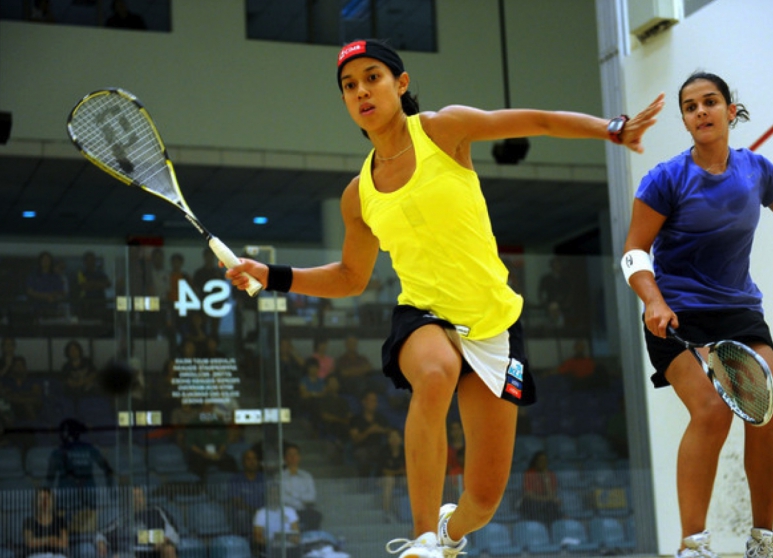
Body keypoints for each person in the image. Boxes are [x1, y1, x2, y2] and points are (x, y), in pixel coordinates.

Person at [225, 38, 664, 557]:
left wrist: (610, 127)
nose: (362, 90)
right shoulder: (357, 195)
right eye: (349, 85)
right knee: (433, 374)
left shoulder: (443, 130)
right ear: (344, 101)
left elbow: (537, 121)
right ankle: (423, 539)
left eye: (373, 77)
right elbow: (349, 276)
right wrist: (272, 276)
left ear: (401, 83)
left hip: (495, 325)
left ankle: (451, 532)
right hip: (424, 315)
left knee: (483, 500)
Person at [621, 72, 773, 558]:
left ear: (731, 111)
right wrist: (652, 299)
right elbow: (633, 253)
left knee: (768, 408)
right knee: (711, 412)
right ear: (687, 120)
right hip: (676, 313)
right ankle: (693, 545)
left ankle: (762, 541)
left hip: (739, 311)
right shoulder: (666, 178)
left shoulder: (758, 172)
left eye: (710, 102)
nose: (701, 112)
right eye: (690, 107)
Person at [46, 419, 114, 534]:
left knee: (70, 525)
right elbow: (107, 470)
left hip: (71, 491)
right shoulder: (90, 449)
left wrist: (111, 491)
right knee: (80, 524)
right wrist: (111, 490)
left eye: (63, 432)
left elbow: (50, 478)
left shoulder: (58, 452)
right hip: (79, 491)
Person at [96, 486, 179, 558]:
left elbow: (173, 530)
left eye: (139, 496)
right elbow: (102, 534)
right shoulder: (123, 518)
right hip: (135, 553)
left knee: (169, 549)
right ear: (129, 501)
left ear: (144, 498)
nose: (137, 500)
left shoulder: (157, 511)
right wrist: (101, 542)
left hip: (157, 550)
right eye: (134, 497)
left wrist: (164, 539)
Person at [348, 390, 391, 479]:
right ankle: (364, 483)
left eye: (375, 401)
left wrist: (381, 430)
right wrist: (368, 431)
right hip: (362, 448)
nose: (374, 403)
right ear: (364, 402)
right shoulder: (356, 419)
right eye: (371, 400)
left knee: (388, 454)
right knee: (362, 455)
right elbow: (355, 440)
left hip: (378, 447)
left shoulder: (380, 418)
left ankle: (382, 481)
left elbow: (390, 432)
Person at [280, 443, 323, 531]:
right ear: (284, 458)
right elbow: (282, 498)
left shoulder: (307, 476)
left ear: (299, 457)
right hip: (286, 512)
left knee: (316, 516)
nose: (292, 457)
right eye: (289, 455)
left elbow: (312, 497)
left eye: (295, 454)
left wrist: (293, 494)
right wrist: (301, 500)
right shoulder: (279, 477)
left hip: (304, 511)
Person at [253, 481, 301, 558]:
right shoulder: (261, 513)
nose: (274, 497)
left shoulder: (290, 511)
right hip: (270, 548)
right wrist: (272, 542)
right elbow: (257, 538)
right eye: (271, 494)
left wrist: (293, 539)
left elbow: (296, 534)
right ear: (267, 496)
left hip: (289, 548)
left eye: (276, 494)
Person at [228, 448, 266, 537]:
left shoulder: (264, 478)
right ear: (243, 462)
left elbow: (271, 498)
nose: (252, 462)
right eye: (248, 459)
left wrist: (262, 512)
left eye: (254, 459)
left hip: (263, 512)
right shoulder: (236, 479)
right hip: (246, 512)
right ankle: (246, 539)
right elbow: (237, 501)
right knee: (242, 514)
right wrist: (254, 511)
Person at [23, 487, 69, 558]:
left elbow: (65, 543)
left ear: (52, 501)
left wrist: (38, 541)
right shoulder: (29, 521)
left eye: (47, 498)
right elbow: (29, 542)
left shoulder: (60, 521)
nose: (44, 502)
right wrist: (49, 539)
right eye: (41, 498)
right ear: (36, 502)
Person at [516, 451, 560, 523]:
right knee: (534, 508)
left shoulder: (550, 474)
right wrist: (547, 499)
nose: (543, 463)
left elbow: (552, 494)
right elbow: (529, 494)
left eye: (545, 460)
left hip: (546, 501)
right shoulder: (529, 473)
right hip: (533, 501)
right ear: (535, 462)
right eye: (540, 460)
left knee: (553, 507)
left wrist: (546, 480)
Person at [378, 428, 406, 524]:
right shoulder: (383, 452)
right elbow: (385, 471)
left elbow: (406, 470)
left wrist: (399, 472)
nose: (394, 439)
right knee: (390, 480)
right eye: (391, 437)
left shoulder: (404, 451)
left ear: (401, 439)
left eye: (396, 437)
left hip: (400, 480)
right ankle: (386, 512)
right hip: (383, 480)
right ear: (388, 439)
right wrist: (398, 472)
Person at [74, 251, 112, 321]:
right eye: (88, 260)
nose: (90, 262)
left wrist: (92, 284)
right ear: (85, 262)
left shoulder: (100, 273)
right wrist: (98, 284)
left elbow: (108, 284)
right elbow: (84, 286)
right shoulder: (81, 273)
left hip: (100, 303)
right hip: (86, 304)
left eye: (92, 260)